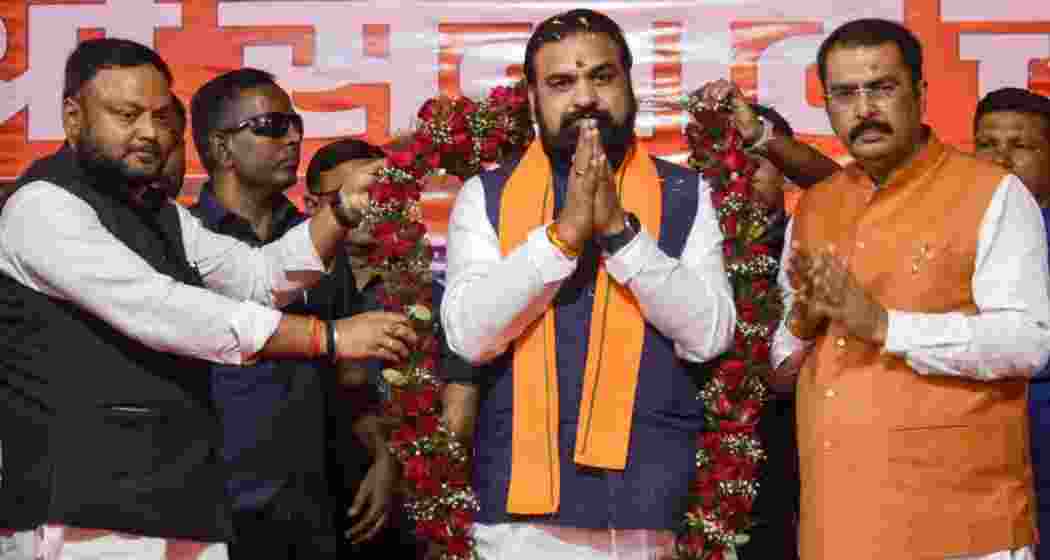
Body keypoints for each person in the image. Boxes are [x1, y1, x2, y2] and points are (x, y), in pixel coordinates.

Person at [0, 38, 416, 558]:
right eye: (126, 115)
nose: (150, 133)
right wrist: (327, 337)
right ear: (72, 115)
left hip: (180, 500)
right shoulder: (42, 208)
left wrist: (338, 215)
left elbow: (257, 276)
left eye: (158, 116)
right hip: (81, 513)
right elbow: (161, 308)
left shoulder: (158, 211)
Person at [440, 9, 736, 558]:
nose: (584, 97)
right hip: (519, 526)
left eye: (601, 76)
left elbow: (710, 334)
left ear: (629, 84)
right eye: (561, 83)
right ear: (532, 100)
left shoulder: (685, 194)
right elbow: (469, 335)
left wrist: (622, 237)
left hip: (647, 510)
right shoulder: (486, 197)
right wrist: (564, 238)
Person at [771, 19, 1050, 559]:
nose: (865, 108)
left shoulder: (993, 194)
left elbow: (1027, 340)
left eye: (882, 87)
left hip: (959, 526)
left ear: (920, 94)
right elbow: (784, 359)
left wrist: (885, 326)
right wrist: (802, 323)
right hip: (837, 523)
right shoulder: (815, 205)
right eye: (845, 93)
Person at [188, 72, 397, 559]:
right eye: (272, 125)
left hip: (308, 507)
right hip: (207, 505)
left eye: (295, 124)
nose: (294, 138)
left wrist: (383, 458)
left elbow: (350, 378)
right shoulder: (183, 242)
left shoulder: (321, 245)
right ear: (222, 147)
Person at [303, 137, 420, 556]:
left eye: (380, 193)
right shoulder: (289, 293)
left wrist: (393, 461)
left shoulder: (430, 299)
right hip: (306, 503)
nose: (369, 205)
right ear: (313, 205)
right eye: (354, 194)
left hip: (407, 513)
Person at [972, 87, 1050, 559]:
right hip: (969, 455)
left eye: (1021, 146)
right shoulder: (946, 227)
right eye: (987, 144)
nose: (1002, 158)